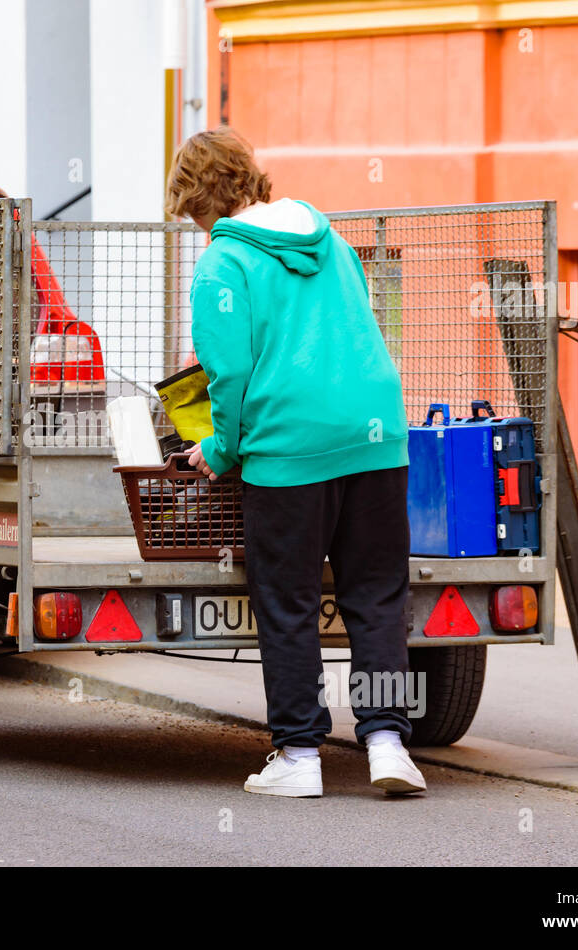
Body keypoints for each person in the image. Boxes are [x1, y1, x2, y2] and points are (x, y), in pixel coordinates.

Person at [164, 126, 425, 798]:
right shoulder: (332, 240)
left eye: (195, 217)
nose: (198, 231)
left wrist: (219, 450)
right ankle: (390, 744)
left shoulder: (225, 263)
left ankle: (300, 756)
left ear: (204, 201)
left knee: (289, 602)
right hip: (376, 435)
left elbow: (230, 374)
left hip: (290, 448)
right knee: (377, 596)